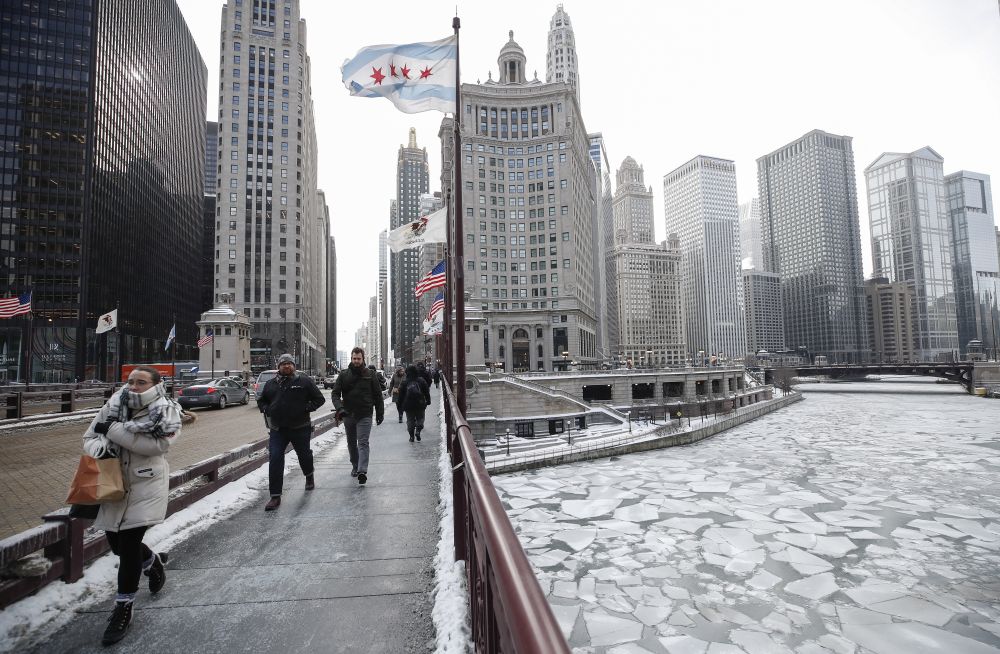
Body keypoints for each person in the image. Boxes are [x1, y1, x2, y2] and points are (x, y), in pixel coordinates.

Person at [82, 365, 195, 646]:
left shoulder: (166, 411)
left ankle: (123, 607)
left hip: (146, 484)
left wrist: (114, 432)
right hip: (113, 483)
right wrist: (102, 449)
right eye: (131, 381)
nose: (133, 386)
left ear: (156, 385)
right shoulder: (114, 403)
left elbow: (156, 447)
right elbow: (90, 436)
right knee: (117, 545)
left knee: (129, 545)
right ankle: (153, 562)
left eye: (141, 382)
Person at [256, 353, 325, 511]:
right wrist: (267, 409)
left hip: (300, 427)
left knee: (304, 455)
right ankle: (275, 496)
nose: (286, 366)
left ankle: (309, 476)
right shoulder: (271, 384)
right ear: (278, 367)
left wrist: (306, 408)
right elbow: (262, 400)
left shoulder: (304, 381)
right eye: (283, 364)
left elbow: (319, 399)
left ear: (294, 366)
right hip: (278, 429)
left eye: (289, 363)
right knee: (275, 459)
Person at [331, 347, 384, 485]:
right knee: (351, 443)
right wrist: (340, 408)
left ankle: (362, 470)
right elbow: (335, 394)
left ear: (363, 359)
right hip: (348, 414)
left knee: (363, 442)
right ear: (351, 358)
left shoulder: (371, 374)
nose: (356, 361)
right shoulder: (343, 375)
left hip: (365, 414)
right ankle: (355, 465)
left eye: (358, 359)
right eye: (354, 358)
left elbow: (378, 395)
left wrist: (380, 413)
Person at [399, 364, 431, 442]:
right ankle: (418, 431)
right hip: (420, 403)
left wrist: (400, 405)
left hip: (408, 405)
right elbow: (426, 392)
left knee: (410, 420)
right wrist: (428, 401)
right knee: (420, 419)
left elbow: (401, 395)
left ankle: (411, 437)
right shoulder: (421, 380)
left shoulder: (405, 382)